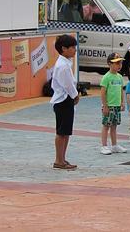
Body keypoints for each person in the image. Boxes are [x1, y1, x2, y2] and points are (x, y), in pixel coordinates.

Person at [50, 34, 80, 170]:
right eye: (72, 47)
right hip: (63, 100)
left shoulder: (66, 63)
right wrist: (75, 95)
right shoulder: (62, 66)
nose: (75, 50)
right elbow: (68, 85)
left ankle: (62, 158)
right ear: (63, 48)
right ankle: (58, 159)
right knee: (61, 132)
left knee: (66, 131)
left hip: (65, 99)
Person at [99, 53, 127, 155]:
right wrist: (105, 105)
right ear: (109, 64)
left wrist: (122, 102)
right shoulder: (106, 77)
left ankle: (114, 145)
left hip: (117, 106)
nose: (119, 65)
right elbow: (102, 92)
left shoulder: (119, 77)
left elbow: (121, 90)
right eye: (116, 63)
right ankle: (104, 146)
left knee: (114, 126)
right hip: (109, 106)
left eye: (120, 63)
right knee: (106, 125)